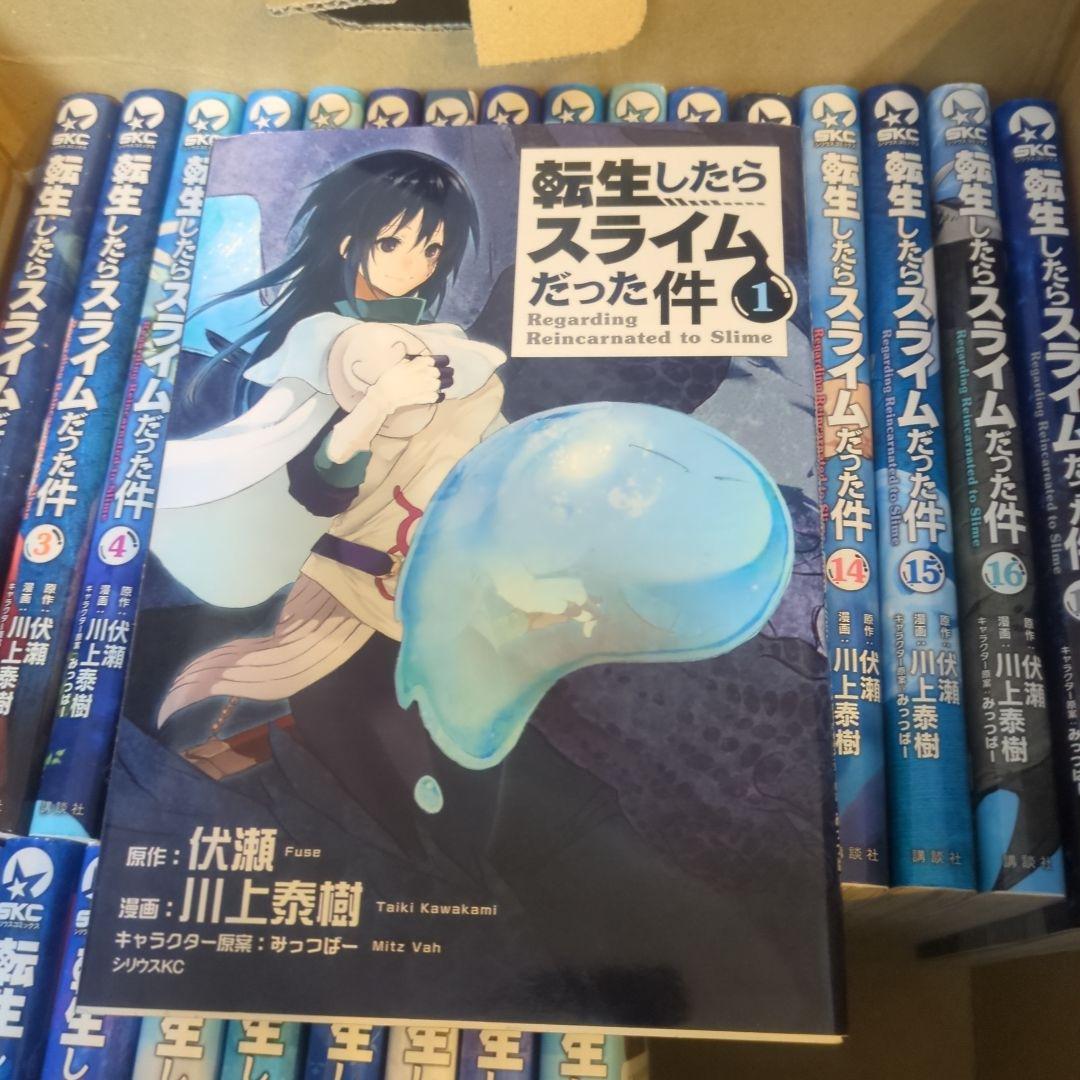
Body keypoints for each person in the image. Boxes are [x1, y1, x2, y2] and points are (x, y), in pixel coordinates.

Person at [154, 149, 507, 736]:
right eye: (392, 243)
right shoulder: (330, 342)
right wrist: (379, 402)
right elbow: (319, 486)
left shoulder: (444, 344)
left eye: (432, 249)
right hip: (353, 574)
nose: (415, 264)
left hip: (434, 571)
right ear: (349, 243)